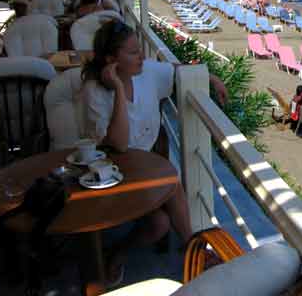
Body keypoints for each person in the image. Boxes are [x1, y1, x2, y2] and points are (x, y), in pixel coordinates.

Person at [82, 20, 228, 283]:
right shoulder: (94, 91)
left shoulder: (146, 72)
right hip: (111, 171)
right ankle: (196, 251)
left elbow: (176, 70)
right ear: (111, 60)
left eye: (140, 49)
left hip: (146, 168)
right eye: (133, 52)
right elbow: (119, 145)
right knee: (170, 185)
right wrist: (116, 88)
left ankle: (119, 252)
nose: (142, 56)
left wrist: (211, 77)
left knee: (159, 225)